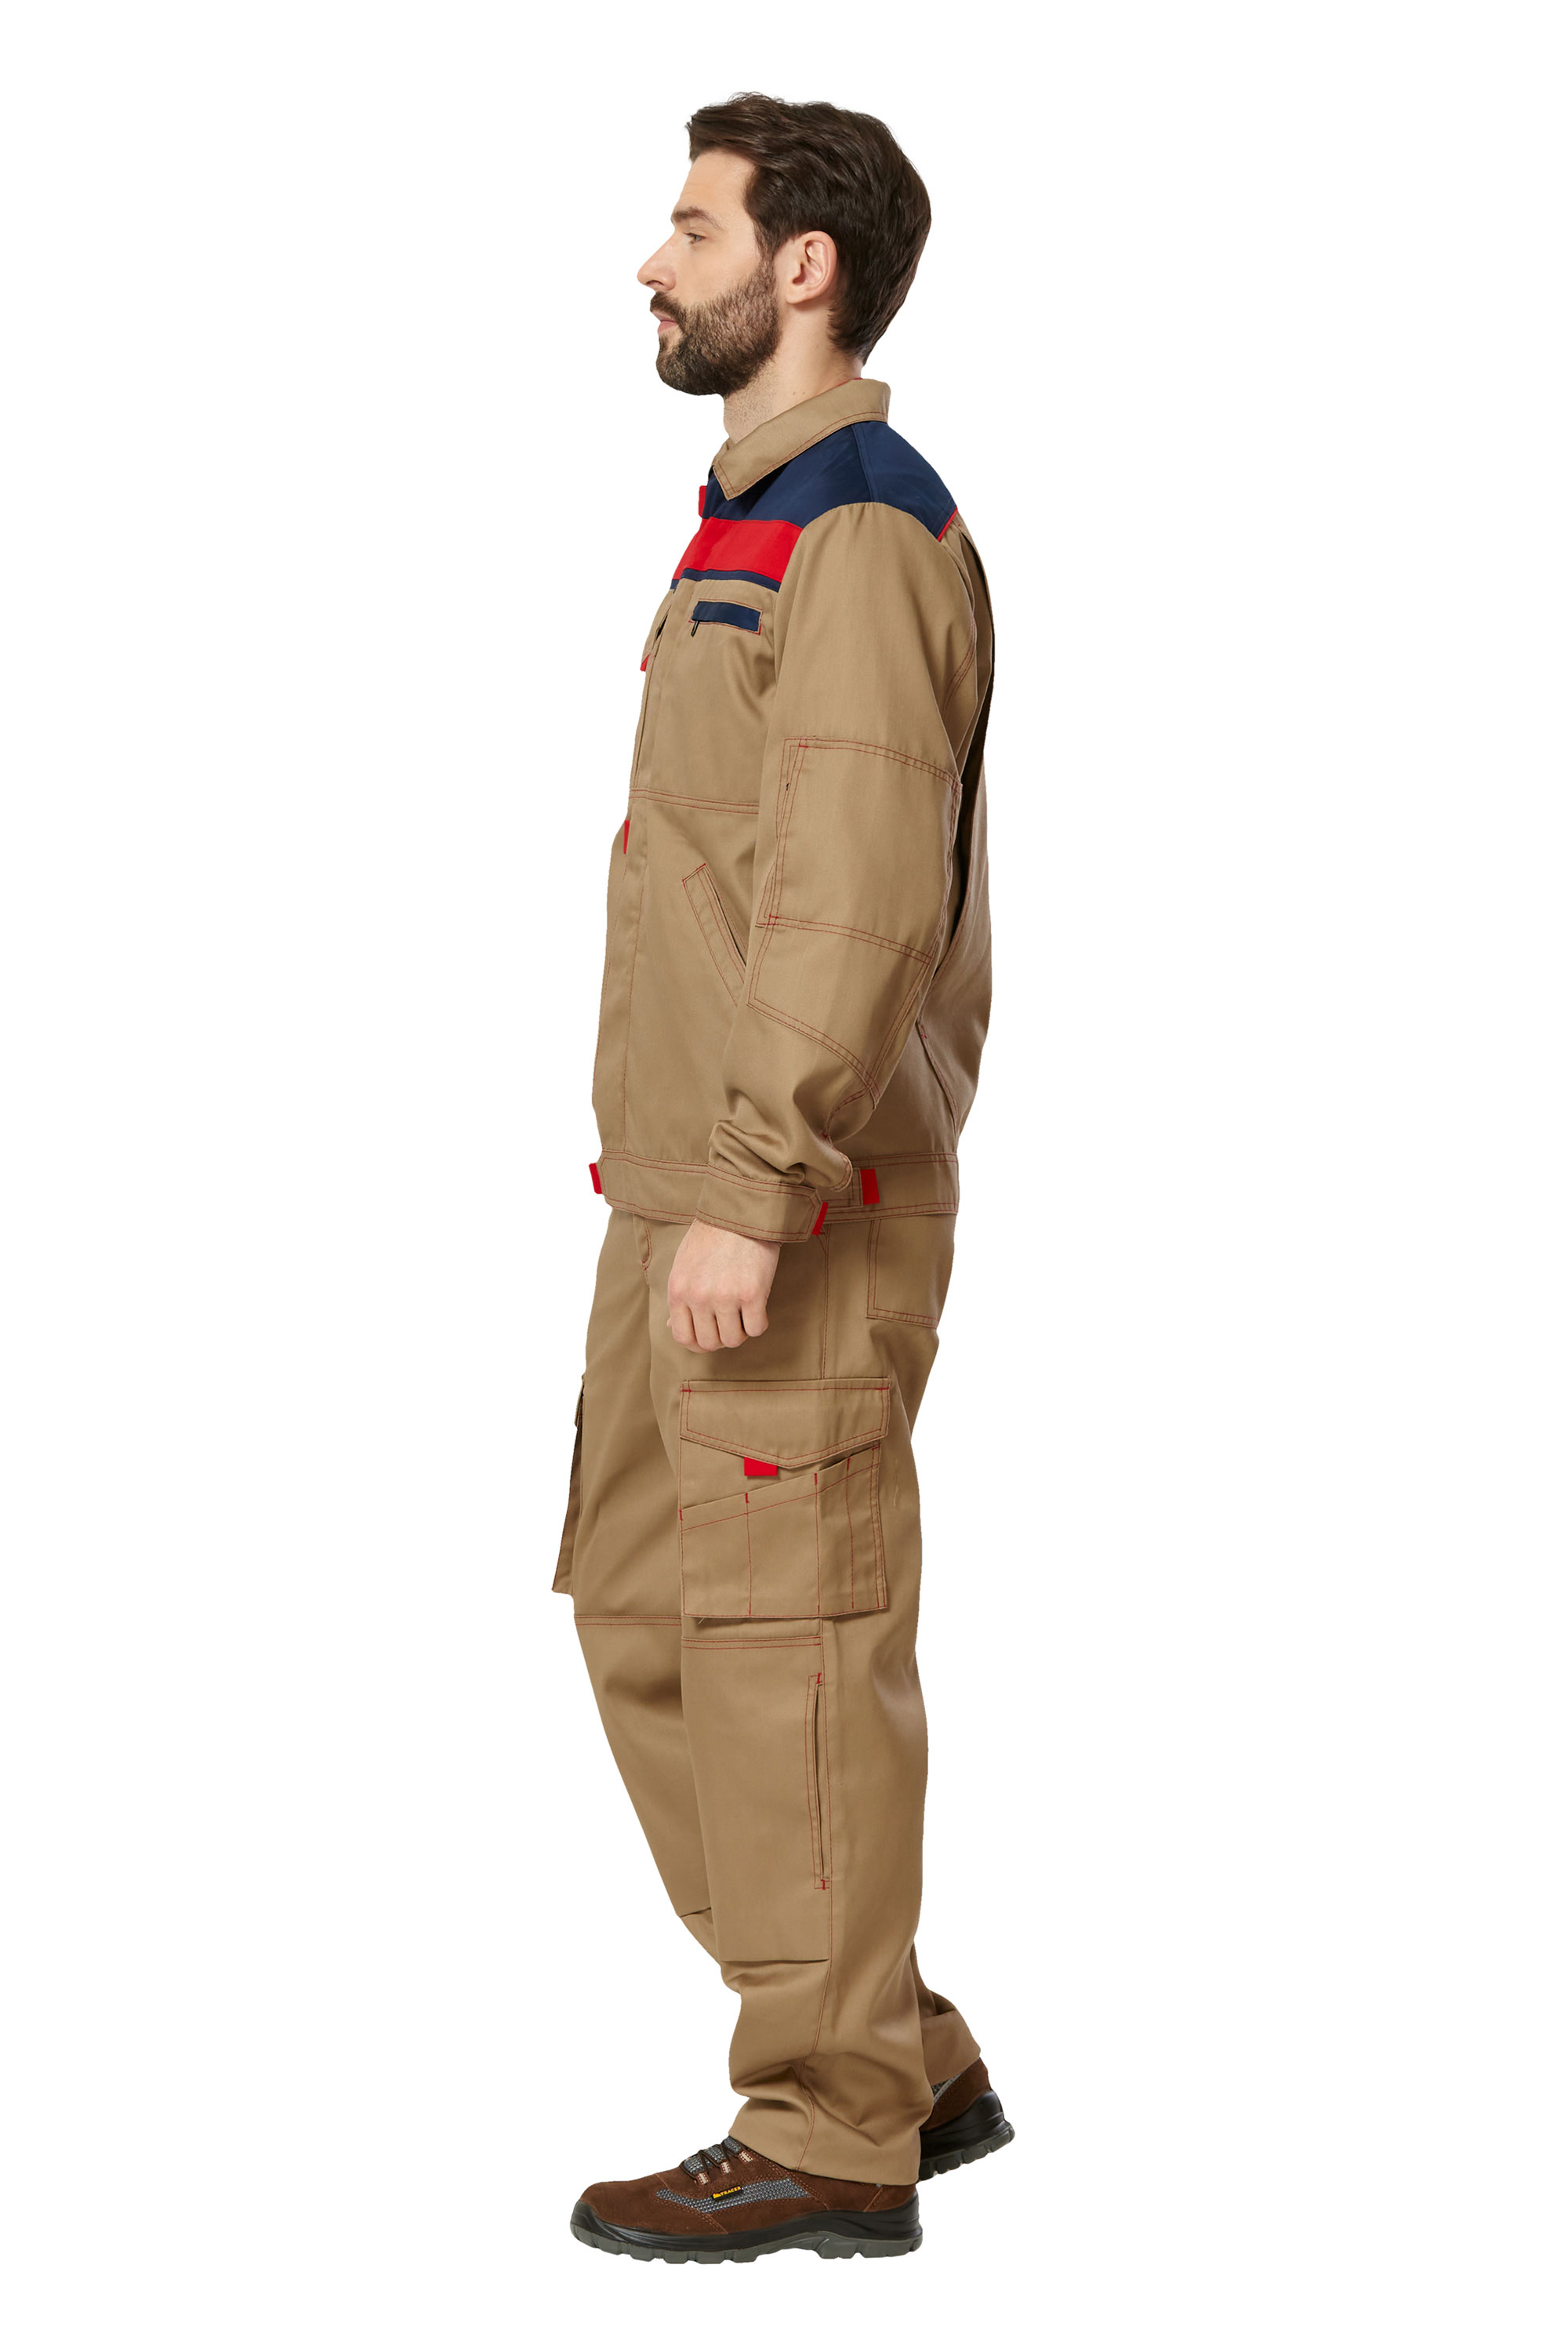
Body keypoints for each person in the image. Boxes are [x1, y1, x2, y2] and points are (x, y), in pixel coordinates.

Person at [554, 93, 1009, 2264]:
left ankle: (832, 2123)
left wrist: (753, 1183)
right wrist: (688, 1178)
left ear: (800, 268)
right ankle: (892, 2044)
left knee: (783, 1643)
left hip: (786, 1200)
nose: (653, 264)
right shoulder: (752, 516)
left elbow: (847, 899)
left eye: (692, 226)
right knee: (647, 1608)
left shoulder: (865, 528)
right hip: (685, 1183)